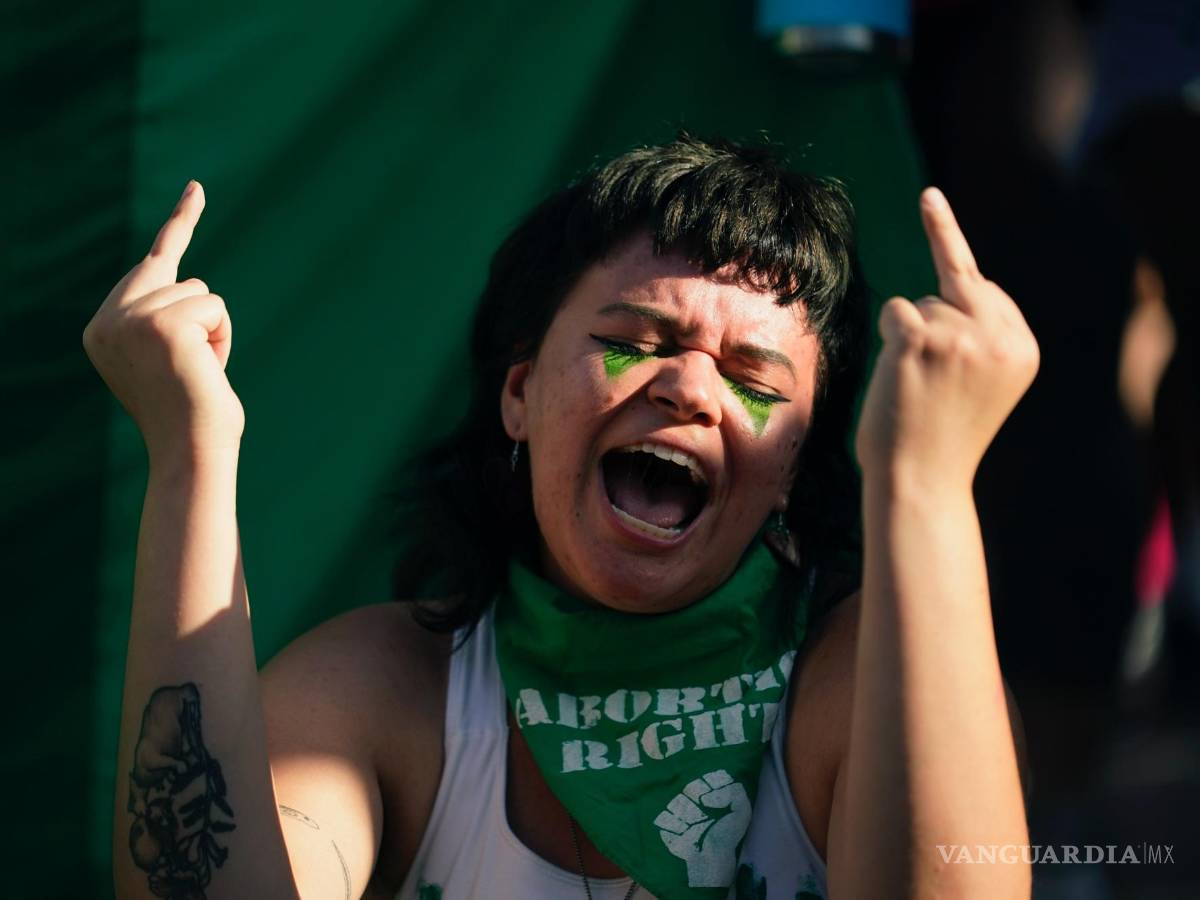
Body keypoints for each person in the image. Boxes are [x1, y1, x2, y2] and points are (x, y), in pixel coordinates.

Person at [85, 136, 1035, 900]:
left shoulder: (870, 678)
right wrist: (190, 455)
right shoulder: (385, 690)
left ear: (790, 469)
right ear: (520, 394)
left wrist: (929, 487)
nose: (692, 390)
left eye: (753, 381)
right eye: (632, 343)